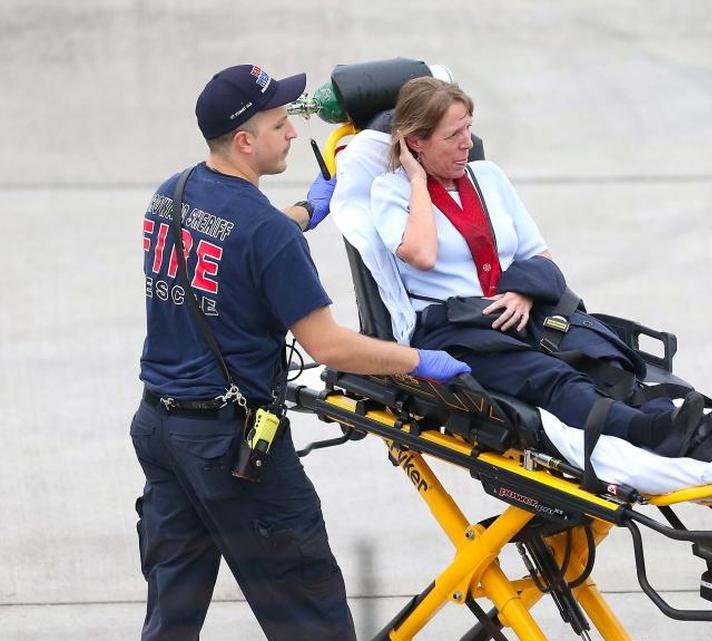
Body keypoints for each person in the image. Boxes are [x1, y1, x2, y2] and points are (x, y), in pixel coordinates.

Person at [131, 64, 470, 641]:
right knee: (310, 614)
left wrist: (305, 213)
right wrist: (419, 362)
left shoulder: (172, 194)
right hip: (230, 447)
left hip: (161, 433)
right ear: (244, 140)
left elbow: (232, 241)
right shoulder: (266, 234)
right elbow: (328, 345)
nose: (292, 131)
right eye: (279, 122)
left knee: (172, 614)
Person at [368, 76, 712, 462]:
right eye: (454, 135)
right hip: (457, 330)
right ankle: (654, 434)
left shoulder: (488, 177)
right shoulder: (392, 191)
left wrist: (523, 291)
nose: (468, 142)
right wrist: (418, 180)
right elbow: (421, 254)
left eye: (469, 128)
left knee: (602, 360)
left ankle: (697, 431)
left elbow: (540, 255)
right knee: (552, 377)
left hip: (518, 306)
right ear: (415, 141)